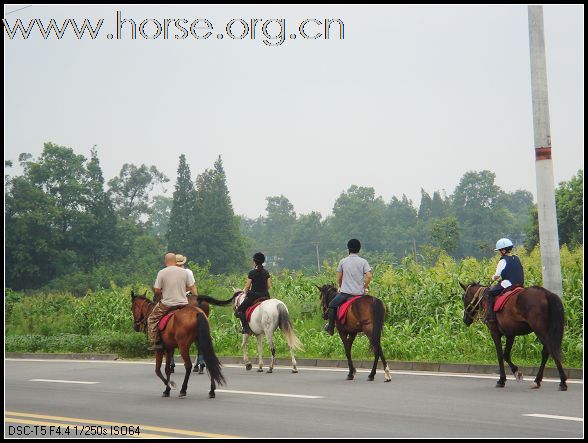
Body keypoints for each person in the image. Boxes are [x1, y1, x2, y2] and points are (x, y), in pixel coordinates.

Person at [147, 252, 198, 350]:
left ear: (165, 261)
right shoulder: (184, 272)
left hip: (167, 304)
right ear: (175, 261)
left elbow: (157, 290)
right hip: (183, 303)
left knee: (152, 319)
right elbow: (191, 286)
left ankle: (155, 342)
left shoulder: (162, 272)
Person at [324, 239, 372, 336]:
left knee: (332, 305)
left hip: (346, 293)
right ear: (359, 249)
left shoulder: (343, 261)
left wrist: (340, 286)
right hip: (359, 293)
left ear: (348, 249)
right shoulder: (363, 261)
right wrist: (365, 287)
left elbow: (339, 278)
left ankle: (331, 328)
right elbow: (369, 276)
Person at [486, 238, 525, 322]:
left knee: (490, 293)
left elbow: (497, 276)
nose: (499, 253)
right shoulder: (516, 258)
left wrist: (492, 278)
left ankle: (491, 316)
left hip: (508, 284)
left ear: (503, 251)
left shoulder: (503, 260)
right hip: (520, 283)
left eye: (499, 251)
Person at [235, 252, 271, 334]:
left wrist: (244, 292)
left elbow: (247, 287)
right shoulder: (266, 272)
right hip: (265, 295)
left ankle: (246, 328)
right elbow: (268, 286)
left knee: (239, 310)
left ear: (255, 262)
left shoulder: (252, 272)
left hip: (254, 296)